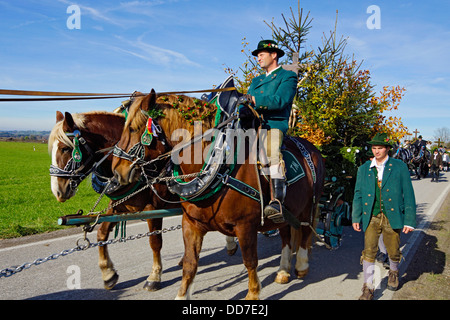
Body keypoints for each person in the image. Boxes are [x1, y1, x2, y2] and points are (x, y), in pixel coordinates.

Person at [238, 39, 298, 222]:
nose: (258, 58)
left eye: (261, 54)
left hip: (273, 125)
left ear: (274, 55)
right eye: (257, 55)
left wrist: (255, 100)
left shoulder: (287, 77)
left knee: (271, 152)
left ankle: (276, 201)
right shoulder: (256, 80)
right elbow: (246, 105)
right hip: (251, 126)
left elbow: (281, 100)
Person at [352, 133, 416, 300]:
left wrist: (409, 220)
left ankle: (393, 272)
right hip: (371, 216)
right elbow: (358, 193)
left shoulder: (399, 166)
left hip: (392, 216)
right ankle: (368, 287)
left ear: (388, 149)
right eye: (374, 148)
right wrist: (355, 217)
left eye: (380, 148)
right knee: (369, 252)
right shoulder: (364, 168)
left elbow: (408, 194)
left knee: (394, 251)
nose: (376, 151)